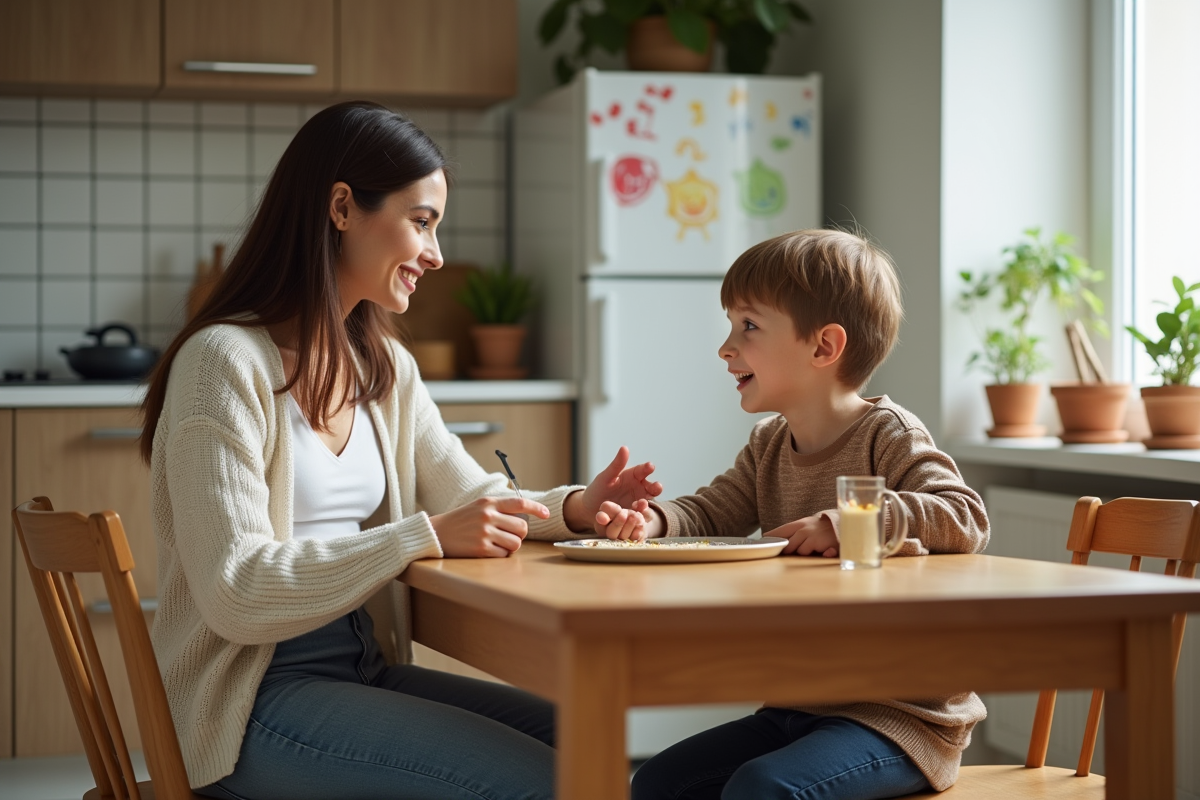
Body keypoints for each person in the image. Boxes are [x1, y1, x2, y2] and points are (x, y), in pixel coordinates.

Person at [139, 100, 658, 800]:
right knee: (549, 784)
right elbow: (236, 590)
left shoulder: (381, 366)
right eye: (421, 222)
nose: (436, 254)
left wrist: (572, 510)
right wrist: (421, 536)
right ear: (342, 208)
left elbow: (468, 497)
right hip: (245, 703)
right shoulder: (222, 361)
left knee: (592, 745)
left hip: (358, 666)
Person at [596, 229, 991, 800]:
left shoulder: (888, 434)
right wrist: (651, 522)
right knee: (658, 783)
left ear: (824, 347)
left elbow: (964, 515)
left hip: (899, 718)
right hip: (798, 705)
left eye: (748, 327)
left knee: (763, 788)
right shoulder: (769, 444)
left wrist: (849, 520)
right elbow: (710, 513)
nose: (726, 347)